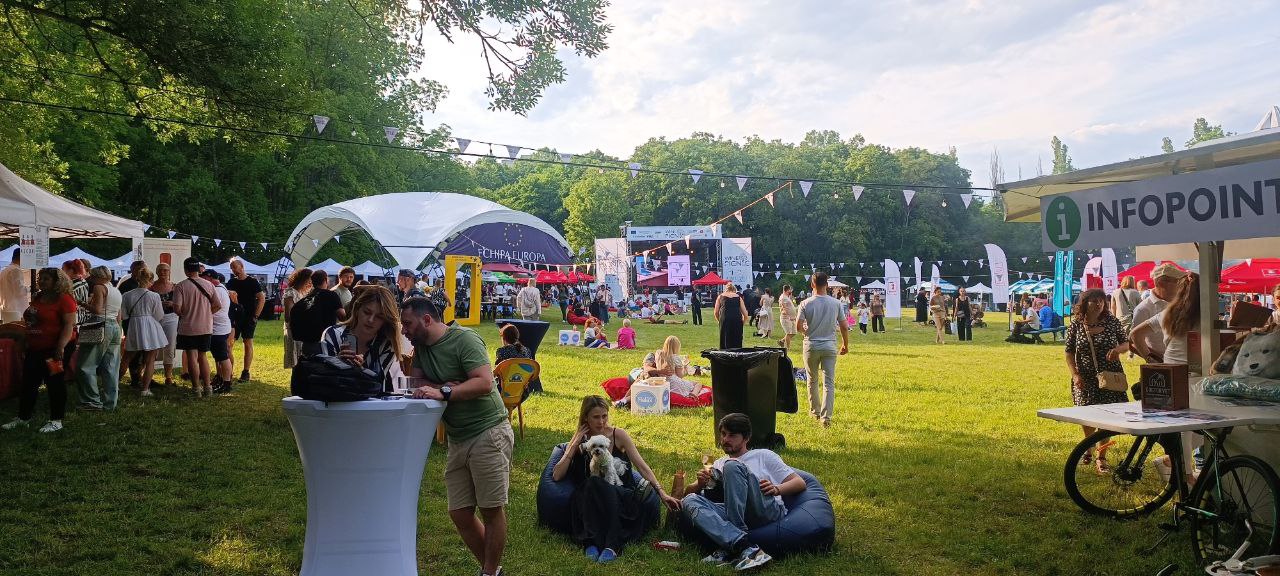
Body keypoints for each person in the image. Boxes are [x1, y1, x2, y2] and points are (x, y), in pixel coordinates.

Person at [402, 293, 512, 576]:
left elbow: (484, 383)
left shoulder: (465, 340)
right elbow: (415, 382)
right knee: (459, 512)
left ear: (427, 319)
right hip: (458, 436)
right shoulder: (421, 347)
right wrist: (446, 385)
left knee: (491, 509)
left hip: (488, 430)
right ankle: (493, 571)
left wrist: (444, 391)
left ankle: (488, 572)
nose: (403, 330)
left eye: (408, 324)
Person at [551, 396, 676, 563]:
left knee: (597, 483)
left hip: (620, 496)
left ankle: (610, 546)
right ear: (585, 417)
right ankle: (592, 544)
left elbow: (642, 466)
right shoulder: (580, 440)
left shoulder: (618, 435)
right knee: (591, 484)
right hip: (591, 501)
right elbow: (557, 475)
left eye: (604, 416)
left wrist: (661, 492)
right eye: (596, 417)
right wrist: (573, 446)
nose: (601, 421)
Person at [678, 413, 806, 571]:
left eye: (732, 435)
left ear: (746, 438)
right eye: (723, 434)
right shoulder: (717, 463)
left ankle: (733, 542)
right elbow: (686, 495)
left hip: (764, 509)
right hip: (731, 510)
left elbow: (799, 483)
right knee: (690, 500)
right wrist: (699, 483)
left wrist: (776, 488)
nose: (725, 439)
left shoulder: (763, 455)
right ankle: (743, 547)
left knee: (732, 466)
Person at [1064, 289, 1130, 473]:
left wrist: (1118, 350)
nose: (1099, 304)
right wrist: (1075, 374)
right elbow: (1069, 352)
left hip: (1110, 376)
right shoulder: (1076, 324)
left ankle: (1101, 457)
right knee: (1087, 415)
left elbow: (1126, 343)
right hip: (1085, 377)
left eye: (1101, 301)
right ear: (1085, 303)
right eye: (1094, 301)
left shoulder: (1112, 322)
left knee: (1107, 417)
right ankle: (1088, 446)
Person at [4, 268, 76, 433]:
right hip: (35, 347)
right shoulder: (38, 297)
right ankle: (23, 418)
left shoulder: (64, 299)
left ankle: (56, 420)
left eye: (46, 279)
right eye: (40, 278)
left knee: (54, 383)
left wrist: (60, 346)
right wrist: (24, 340)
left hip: (54, 349)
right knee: (29, 382)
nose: (41, 281)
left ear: (56, 282)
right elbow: (31, 322)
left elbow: (68, 326)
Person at [319, 285, 403, 391]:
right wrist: (338, 363)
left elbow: (378, 382)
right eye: (367, 312)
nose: (371, 320)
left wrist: (361, 371)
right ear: (357, 309)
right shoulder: (333, 334)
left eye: (379, 317)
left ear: (386, 320)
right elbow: (324, 379)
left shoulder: (387, 343)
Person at [796, 272, 850, 427]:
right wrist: (845, 344)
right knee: (829, 383)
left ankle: (815, 412)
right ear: (827, 284)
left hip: (811, 345)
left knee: (812, 380)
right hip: (829, 346)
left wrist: (804, 331)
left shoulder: (805, 303)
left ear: (812, 284)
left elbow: (798, 326)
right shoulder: (836, 303)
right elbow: (844, 326)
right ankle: (826, 418)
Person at [172, 256, 221, 398]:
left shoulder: (180, 286)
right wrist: (206, 313)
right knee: (203, 357)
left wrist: (186, 314)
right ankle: (208, 387)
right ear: (198, 269)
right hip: (205, 327)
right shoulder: (209, 285)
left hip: (188, 327)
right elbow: (217, 305)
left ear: (186, 270)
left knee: (192, 358)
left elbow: (177, 308)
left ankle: (196, 389)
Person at [76, 266, 123, 411]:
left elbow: (97, 310)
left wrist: (82, 303)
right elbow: (119, 316)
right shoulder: (116, 290)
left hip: (99, 324)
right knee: (111, 367)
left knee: (86, 365)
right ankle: (110, 403)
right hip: (115, 327)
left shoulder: (99, 287)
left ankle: (92, 401)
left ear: (96, 276)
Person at [1131, 273, 1200, 367]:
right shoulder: (1207, 316)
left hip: (1169, 367)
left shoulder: (1168, 313)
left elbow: (1135, 334)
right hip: (1196, 369)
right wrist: (1151, 359)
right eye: (1173, 281)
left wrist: (1151, 360)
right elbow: (1134, 336)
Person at [120, 267, 167, 397]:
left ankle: (114, 385)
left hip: (134, 326)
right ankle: (145, 389)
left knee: (126, 358)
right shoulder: (154, 296)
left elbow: (124, 315)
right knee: (150, 359)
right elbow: (159, 315)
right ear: (150, 280)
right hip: (151, 326)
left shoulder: (127, 295)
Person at [1130, 263, 1186, 363]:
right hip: (1161, 363)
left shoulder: (1181, 303)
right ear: (1160, 283)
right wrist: (1152, 359)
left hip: (1182, 361)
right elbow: (1133, 342)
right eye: (1177, 281)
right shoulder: (1143, 309)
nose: (1181, 285)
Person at [226, 258, 265, 382]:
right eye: (231, 268)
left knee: (247, 342)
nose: (233, 270)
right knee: (229, 343)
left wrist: (256, 316)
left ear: (242, 266)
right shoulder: (231, 282)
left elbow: (261, 298)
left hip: (249, 317)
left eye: (235, 267)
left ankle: (246, 371)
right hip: (234, 317)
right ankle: (228, 371)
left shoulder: (252, 281)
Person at [291, 269, 346, 357]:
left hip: (307, 345)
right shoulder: (331, 295)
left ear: (312, 282)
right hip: (326, 343)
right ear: (326, 280)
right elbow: (343, 317)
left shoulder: (303, 301)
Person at [641, 335, 707, 400]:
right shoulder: (676, 358)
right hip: (674, 383)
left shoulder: (659, 354)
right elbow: (680, 376)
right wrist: (685, 366)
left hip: (663, 382)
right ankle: (694, 393)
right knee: (698, 383)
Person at [202, 270, 234, 394]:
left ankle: (226, 383)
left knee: (223, 357)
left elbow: (216, 307)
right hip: (221, 327)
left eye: (204, 279)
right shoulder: (221, 288)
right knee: (220, 357)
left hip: (219, 329)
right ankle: (222, 380)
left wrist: (206, 315)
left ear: (209, 278)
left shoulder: (218, 290)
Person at [151, 263, 180, 386]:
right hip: (155, 318)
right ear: (157, 272)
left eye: (165, 270)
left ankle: (168, 376)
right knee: (152, 345)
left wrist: (172, 304)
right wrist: (159, 305)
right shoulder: (151, 287)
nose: (163, 272)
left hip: (171, 317)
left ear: (169, 272)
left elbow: (181, 303)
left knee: (170, 345)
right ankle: (149, 374)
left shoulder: (175, 287)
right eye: (160, 270)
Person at [281, 267, 313, 369]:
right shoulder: (291, 293)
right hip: (294, 331)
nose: (310, 284)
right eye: (309, 281)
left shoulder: (305, 293)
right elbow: (288, 317)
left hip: (304, 331)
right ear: (302, 280)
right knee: (296, 362)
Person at [714, 284, 748, 350]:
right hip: (737, 319)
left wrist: (719, 321)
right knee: (737, 338)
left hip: (725, 319)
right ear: (734, 290)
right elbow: (745, 314)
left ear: (726, 289)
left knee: (725, 338)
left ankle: (724, 352)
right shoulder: (739, 297)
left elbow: (716, 312)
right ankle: (737, 353)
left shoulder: (720, 297)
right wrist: (742, 323)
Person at [0, 249, 28, 323]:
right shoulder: (16, 270)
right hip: (17, 311)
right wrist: (30, 289)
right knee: (18, 330)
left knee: (8, 329)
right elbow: (19, 291)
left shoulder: (4, 271)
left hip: (6, 309)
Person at [777, 284, 797, 350]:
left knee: (794, 332)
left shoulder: (787, 297)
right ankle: (788, 348)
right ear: (788, 290)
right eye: (790, 290)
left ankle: (781, 341)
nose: (791, 291)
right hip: (786, 318)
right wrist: (788, 316)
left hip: (792, 318)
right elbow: (783, 308)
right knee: (788, 333)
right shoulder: (783, 297)